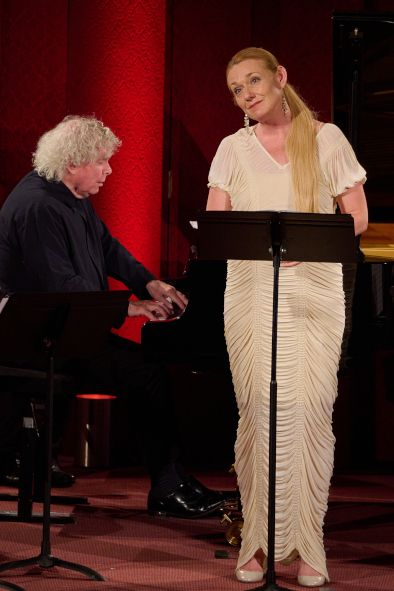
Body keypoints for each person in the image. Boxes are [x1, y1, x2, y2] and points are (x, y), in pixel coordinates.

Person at [0, 114, 230, 518]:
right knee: (146, 374)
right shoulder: (38, 206)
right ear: (73, 162)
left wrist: (149, 284)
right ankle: (168, 487)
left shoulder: (69, 195)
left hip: (65, 329)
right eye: (102, 161)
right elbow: (61, 286)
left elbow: (108, 249)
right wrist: (129, 307)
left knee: (146, 370)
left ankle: (171, 480)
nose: (108, 170)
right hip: (34, 339)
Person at [206, 47, 368, 586]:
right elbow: (215, 222)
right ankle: (256, 544)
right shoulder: (233, 147)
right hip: (251, 290)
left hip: (315, 291)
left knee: (310, 413)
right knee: (258, 411)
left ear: (280, 78)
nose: (247, 93)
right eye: (236, 89)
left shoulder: (325, 138)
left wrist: (311, 248)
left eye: (254, 81)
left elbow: (358, 216)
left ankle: (309, 548)